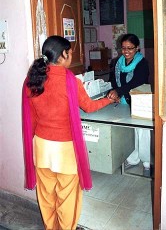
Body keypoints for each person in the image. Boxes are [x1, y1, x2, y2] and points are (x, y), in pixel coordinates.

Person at [22, 35, 116, 230]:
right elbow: (89, 107)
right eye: (70, 52)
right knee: (67, 195)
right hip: (64, 148)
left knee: (47, 193)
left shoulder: (33, 78)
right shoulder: (70, 80)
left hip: (41, 146)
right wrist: (109, 99)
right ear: (64, 55)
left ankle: (51, 227)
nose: (71, 55)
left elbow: (31, 116)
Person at [107, 33, 151, 171]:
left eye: (130, 48)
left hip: (140, 101)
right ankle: (132, 158)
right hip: (124, 101)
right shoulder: (117, 62)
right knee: (129, 131)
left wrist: (119, 91)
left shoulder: (142, 63)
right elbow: (113, 79)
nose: (126, 52)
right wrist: (116, 92)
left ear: (137, 48)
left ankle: (146, 161)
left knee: (142, 131)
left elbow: (137, 82)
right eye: (123, 48)